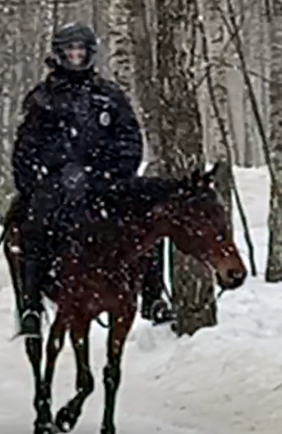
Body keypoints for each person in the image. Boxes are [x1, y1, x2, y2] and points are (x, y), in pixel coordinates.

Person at [11, 22, 175, 338]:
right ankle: (30, 306)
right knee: (32, 228)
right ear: (59, 54)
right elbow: (25, 148)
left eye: (81, 50)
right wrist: (42, 181)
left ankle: (154, 296)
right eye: (70, 50)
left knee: (150, 217)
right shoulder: (42, 98)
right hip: (56, 185)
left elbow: (130, 139)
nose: (76, 56)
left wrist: (109, 173)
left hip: (104, 183)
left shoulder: (109, 95)